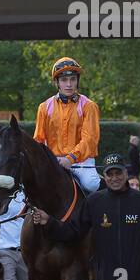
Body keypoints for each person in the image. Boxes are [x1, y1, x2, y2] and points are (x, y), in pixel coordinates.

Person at [33, 56, 101, 193]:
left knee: (91, 184)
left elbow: (90, 139)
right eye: (64, 80)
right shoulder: (44, 107)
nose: (69, 84)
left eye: (73, 79)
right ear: (57, 83)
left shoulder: (89, 106)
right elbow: (38, 140)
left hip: (82, 161)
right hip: (54, 161)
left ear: (77, 81)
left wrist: (70, 159)